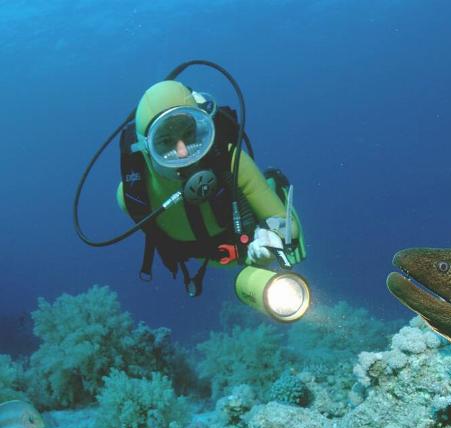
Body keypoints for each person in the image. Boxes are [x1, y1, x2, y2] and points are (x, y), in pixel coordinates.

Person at [117, 80, 308, 317]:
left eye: (189, 134)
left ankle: (272, 184)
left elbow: (283, 221)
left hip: (244, 239)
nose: (183, 151)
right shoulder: (132, 197)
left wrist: (274, 234)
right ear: (145, 148)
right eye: (165, 142)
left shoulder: (230, 161)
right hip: (209, 255)